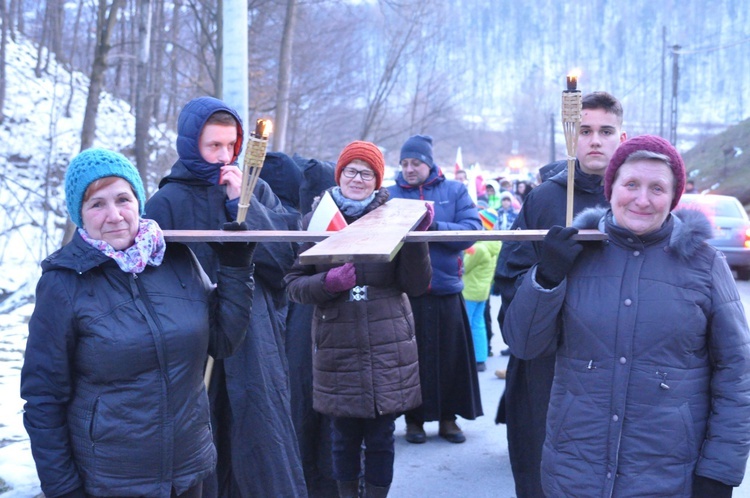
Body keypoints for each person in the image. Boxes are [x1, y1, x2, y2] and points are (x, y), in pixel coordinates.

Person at [503, 134, 750, 497]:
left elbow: (737, 374)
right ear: (611, 186)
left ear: (674, 196)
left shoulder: (705, 266)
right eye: (631, 184)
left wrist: (719, 471)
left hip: (667, 477)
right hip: (575, 471)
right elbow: (524, 343)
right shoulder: (576, 254)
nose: (642, 199)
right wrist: (546, 276)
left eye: (657, 188)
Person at [21, 148, 256, 498]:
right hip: (111, 481)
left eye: (122, 199)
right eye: (97, 204)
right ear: (79, 214)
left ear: (138, 201)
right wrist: (63, 488)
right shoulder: (64, 283)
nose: (114, 215)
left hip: (189, 471)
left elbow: (222, 341)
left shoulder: (175, 258)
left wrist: (237, 269)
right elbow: (43, 398)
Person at [144, 96, 307, 497]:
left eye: (229, 146)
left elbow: (283, 260)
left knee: (262, 442)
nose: (222, 156)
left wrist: (242, 205)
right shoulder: (167, 202)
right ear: (190, 143)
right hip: (195, 342)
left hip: (257, 338)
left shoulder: (255, 189)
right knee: (204, 444)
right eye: (212, 145)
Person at [493, 91, 627, 497]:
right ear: (572, 136)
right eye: (585, 130)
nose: (595, 140)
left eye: (606, 131)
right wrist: (546, 273)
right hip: (549, 366)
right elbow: (510, 280)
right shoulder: (544, 198)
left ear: (622, 136)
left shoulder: (635, 197)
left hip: (614, 361)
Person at [285, 141, 433, 498]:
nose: (358, 178)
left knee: (382, 436)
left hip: (388, 343)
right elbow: (293, 285)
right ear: (339, 174)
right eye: (351, 170)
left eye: (367, 173)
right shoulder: (316, 220)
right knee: (343, 437)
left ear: (378, 180)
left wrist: (416, 238)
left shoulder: (395, 217)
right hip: (338, 344)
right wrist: (327, 282)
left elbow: (416, 284)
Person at [388, 134, 483, 444]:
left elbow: (471, 232)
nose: (409, 168)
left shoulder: (454, 191)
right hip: (405, 293)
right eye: (404, 163)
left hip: (445, 290)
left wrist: (432, 226)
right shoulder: (389, 195)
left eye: (415, 162)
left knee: (450, 360)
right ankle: (413, 420)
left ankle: (448, 419)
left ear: (429, 164)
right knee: (410, 361)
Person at [461, 208, 501, 373]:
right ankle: (480, 358)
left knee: (467, 325)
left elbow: (464, 267)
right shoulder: (494, 245)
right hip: (482, 292)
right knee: (479, 325)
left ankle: (468, 358)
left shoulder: (478, 248)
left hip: (469, 291)